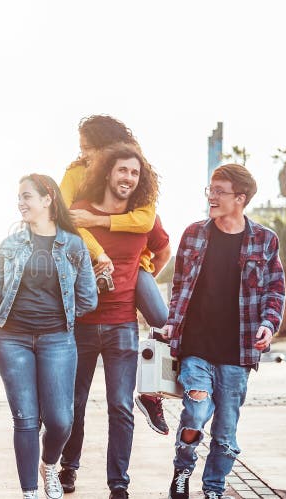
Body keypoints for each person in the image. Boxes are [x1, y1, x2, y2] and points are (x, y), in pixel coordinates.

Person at [161, 164, 285, 499]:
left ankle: (214, 489)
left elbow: (275, 290)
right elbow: (179, 287)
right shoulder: (194, 234)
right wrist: (173, 321)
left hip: (238, 352)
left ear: (240, 199)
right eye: (210, 190)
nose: (212, 197)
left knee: (226, 432)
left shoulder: (264, 240)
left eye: (220, 191)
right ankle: (183, 470)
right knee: (195, 414)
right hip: (196, 348)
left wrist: (268, 324)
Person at [0, 174, 97, 499]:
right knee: (26, 418)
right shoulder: (11, 244)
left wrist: (61, 313)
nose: (21, 203)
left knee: (60, 420)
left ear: (48, 200)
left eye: (27, 196)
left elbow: (88, 297)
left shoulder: (73, 244)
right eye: (19, 197)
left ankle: (49, 465)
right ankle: (30, 492)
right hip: (11, 340)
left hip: (57, 340)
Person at [59, 144, 169, 499]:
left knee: (120, 406)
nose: (128, 178)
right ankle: (68, 467)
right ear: (108, 172)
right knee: (74, 403)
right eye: (123, 170)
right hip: (83, 325)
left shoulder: (142, 218)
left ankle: (118, 483)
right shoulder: (79, 212)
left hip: (124, 326)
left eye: (135, 173)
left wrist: (144, 273)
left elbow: (163, 247)